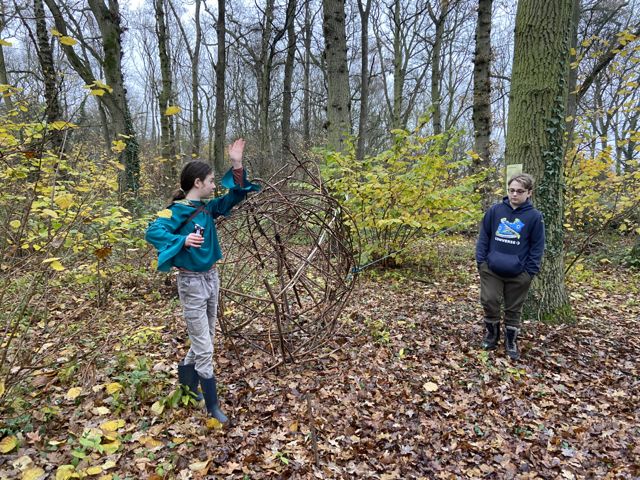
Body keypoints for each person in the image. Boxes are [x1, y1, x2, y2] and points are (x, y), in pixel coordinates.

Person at [145, 139, 259, 422]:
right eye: (210, 181)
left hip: (211, 278)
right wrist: (182, 240)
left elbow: (237, 195)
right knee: (205, 347)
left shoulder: (208, 209)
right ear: (197, 183)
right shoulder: (174, 211)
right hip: (191, 283)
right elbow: (152, 232)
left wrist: (237, 164)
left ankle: (187, 388)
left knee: (206, 338)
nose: (213, 186)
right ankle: (212, 406)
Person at [475, 173, 545, 360]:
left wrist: (529, 272)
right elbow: (484, 237)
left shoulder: (535, 217)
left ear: (529, 193)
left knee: (514, 308)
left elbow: (537, 246)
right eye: (511, 190)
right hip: (492, 269)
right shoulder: (495, 211)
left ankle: (510, 341)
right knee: (489, 300)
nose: (514, 194)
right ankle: (492, 335)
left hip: (519, 273)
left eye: (520, 191)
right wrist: (481, 263)